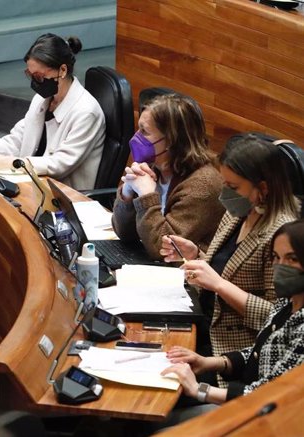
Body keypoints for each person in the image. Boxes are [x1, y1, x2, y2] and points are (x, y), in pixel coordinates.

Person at [160, 133, 299, 384]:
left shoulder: (283, 236)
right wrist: (197, 255)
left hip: (229, 350)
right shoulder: (239, 212)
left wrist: (219, 285)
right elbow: (228, 268)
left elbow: (276, 316)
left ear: (263, 188)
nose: (224, 193)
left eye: (232, 187)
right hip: (200, 320)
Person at [159, 219, 304, 422]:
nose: (281, 266)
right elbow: (260, 352)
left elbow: (270, 393)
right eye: (276, 257)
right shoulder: (288, 302)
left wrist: (200, 390)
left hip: (267, 418)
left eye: (292, 259)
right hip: (249, 403)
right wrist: (209, 363)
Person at [0, 33, 105, 190]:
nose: (35, 83)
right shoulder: (42, 99)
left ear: (63, 70)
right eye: (30, 75)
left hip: (63, 197)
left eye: (39, 76)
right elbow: (19, 139)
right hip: (33, 185)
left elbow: (60, 164)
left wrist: (9, 163)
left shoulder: (86, 112)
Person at [111, 93, 224, 259]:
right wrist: (128, 193)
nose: (137, 137)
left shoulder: (203, 185)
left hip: (186, 277)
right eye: (138, 128)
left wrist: (147, 196)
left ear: (171, 140)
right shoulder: (153, 166)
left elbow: (161, 250)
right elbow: (124, 233)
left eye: (145, 131)